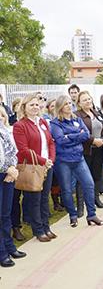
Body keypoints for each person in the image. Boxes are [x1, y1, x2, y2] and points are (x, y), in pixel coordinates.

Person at [51, 95, 103, 227]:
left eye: (70, 103)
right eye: (65, 104)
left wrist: (69, 136)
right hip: (63, 161)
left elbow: (86, 135)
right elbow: (60, 140)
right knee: (67, 189)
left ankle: (91, 215)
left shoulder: (77, 119)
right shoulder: (55, 123)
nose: (69, 106)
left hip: (79, 158)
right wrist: (77, 136)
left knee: (89, 184)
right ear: (60, 107)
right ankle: (73, 215)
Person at [13, 93, 57, 242]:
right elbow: (23, 149)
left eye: (37, 104)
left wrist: (50, 159)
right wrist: (42, 161)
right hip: (34, 167)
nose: (35, 107)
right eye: (31, 104)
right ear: (24, 107)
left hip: (47, 165)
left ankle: (46, 227)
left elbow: (51, 142)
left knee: (45, 198)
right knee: (35, 200)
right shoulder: (20, 125)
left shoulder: (43, 122)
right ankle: (38, 230)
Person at [0, 110, 27, 267]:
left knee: (5, 214)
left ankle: (9, 247)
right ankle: (2, 252)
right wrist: (7, 168)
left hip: (8, 175)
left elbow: (12, 151)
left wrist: (12, 168)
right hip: (4, 172)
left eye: (2, 115)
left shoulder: (4, 130)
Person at [75, 91, 103, 208]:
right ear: (79, 103)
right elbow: (79, 133)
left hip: (99, 149)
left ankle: (96, 199)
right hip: (85, 150)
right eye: (84, 100)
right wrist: (93, 140)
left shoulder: (96, 112)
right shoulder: (77, 115)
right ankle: (80, 205)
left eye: (89, 99)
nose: (88, 101)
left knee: (96, 175)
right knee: (82, 178)